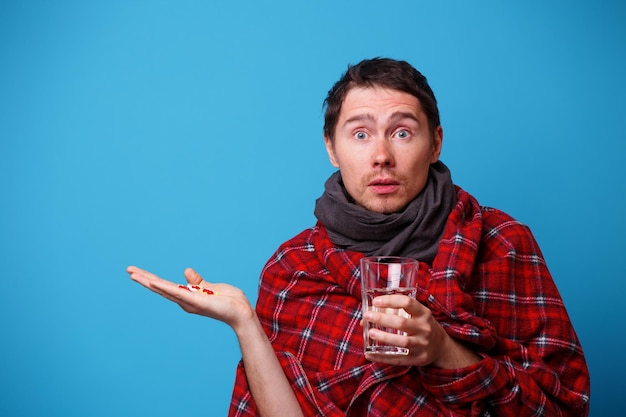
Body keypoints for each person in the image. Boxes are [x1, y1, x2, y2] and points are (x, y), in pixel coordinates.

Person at [127, 57, 590, 416]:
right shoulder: (293, 267)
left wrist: (444, 351)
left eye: (403, 132)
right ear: (332, 147)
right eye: (361, 133)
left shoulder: (502, 242)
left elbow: (565, 405)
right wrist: (244, 322)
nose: (382, 155)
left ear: (436, 143)